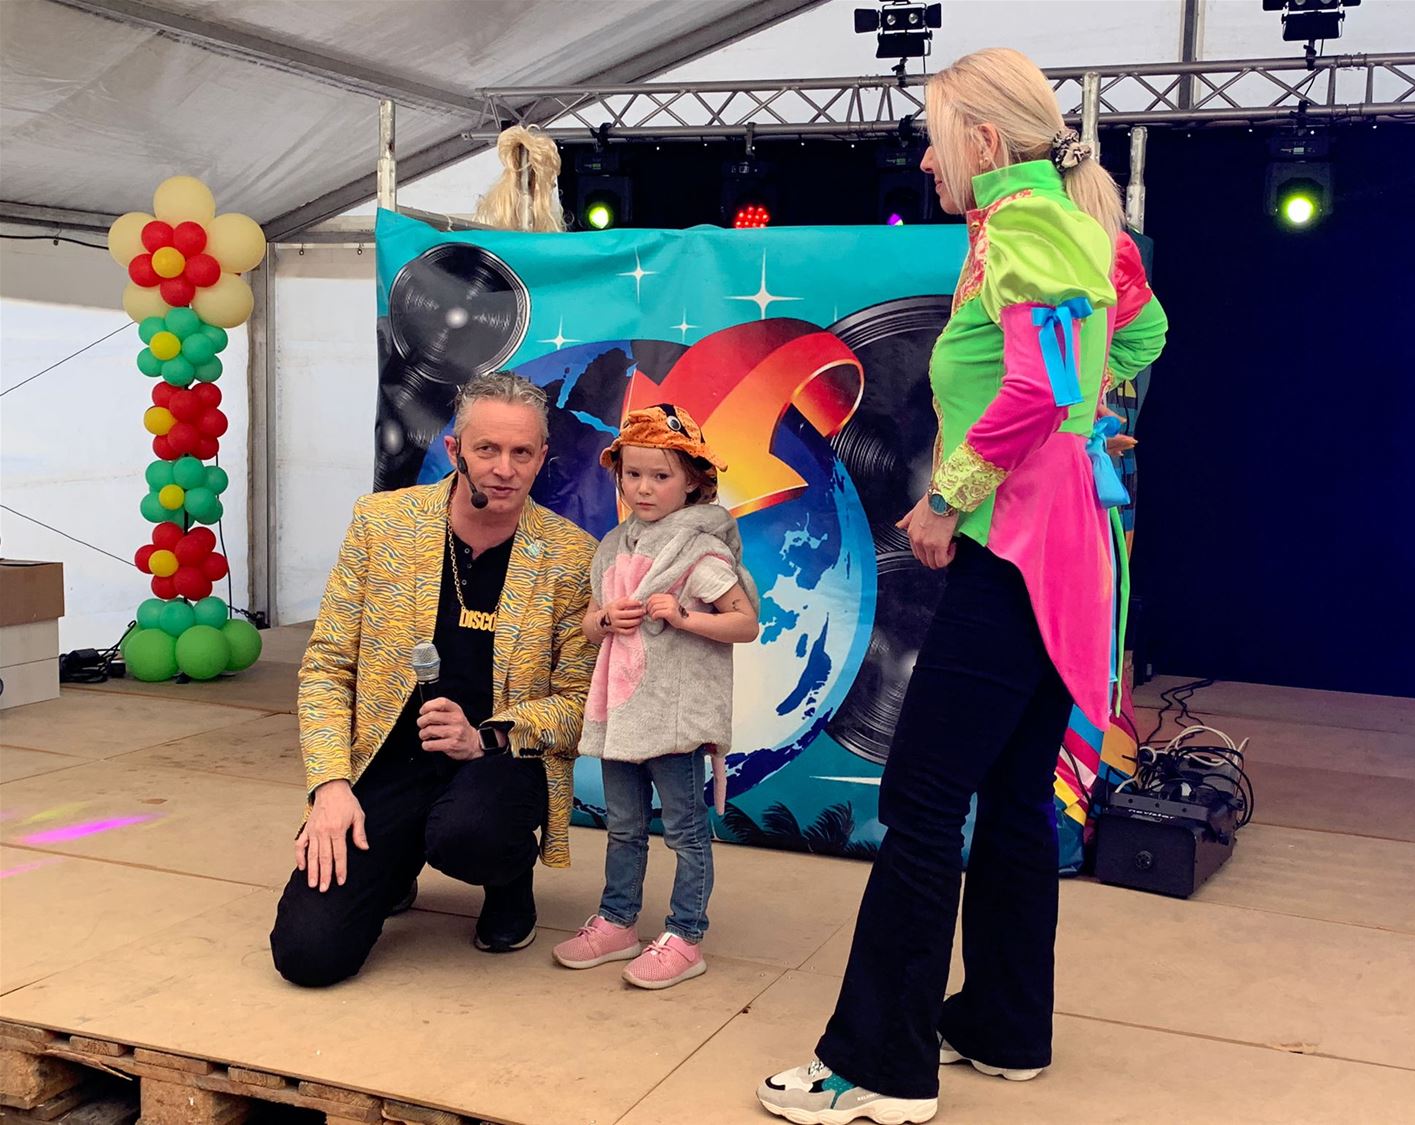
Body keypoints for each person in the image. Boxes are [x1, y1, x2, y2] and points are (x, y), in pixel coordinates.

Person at [758, 47, 1165, 1124]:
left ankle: (878, 1068)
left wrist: (948, 495)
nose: (927, 163)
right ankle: (1003, 1024)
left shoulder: (1026, 226)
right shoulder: (1065, 227)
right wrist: (1087, 417)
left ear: (983, 138)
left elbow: (1037, 390)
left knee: (923, 799)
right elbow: (1138, 334)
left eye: (937, 140)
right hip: (1061, 550)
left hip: (1019, 554)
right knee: (1013, 793)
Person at [270, 371, 597, 987]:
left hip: (497, 764)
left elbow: (580, 703)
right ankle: (393, 864)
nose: (504, 469)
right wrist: (331, 786)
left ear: (541, 458)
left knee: (472, 834)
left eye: (521, 452)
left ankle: (509, 883)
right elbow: (327, 666)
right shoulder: (381, 523)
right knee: (309, 955)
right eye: (487, 449)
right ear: (455, 449)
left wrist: (487, 736)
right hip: (390, 763)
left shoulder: (572, 556)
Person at [551, 405, 759, 990]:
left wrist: (686, 617)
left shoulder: (698, 549)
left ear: (692, 480)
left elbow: (745, 623)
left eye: (661, 476)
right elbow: (589, 622)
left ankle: (686, 935)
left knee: (685, 831)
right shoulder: (613, 545)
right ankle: (618, 921)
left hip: (673, 717)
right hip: (624, 712)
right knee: (623, 824)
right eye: (633, 474)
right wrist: (604, 620)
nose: (643, 488)